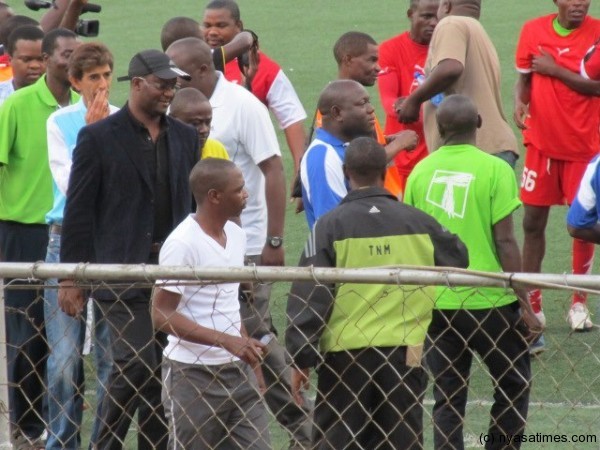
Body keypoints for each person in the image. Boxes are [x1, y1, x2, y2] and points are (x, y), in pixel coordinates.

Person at [166, 37, 312, 449]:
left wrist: (274, 240)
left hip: (238, 250)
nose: (172, 84)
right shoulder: (172, 126)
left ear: (198, 70)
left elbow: (273, 169)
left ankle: (308, 434)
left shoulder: (242, 106)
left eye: (178, 76)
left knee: (258, 340)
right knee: (238, 343)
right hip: (191, 252)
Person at [286, 136, 469, 450]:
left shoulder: (329, 226)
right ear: (386, 169)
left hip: (344, 357)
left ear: (346, 172)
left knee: (335, 441)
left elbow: (310, 294)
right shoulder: (418, 222)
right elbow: (459, 257)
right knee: (401, 441)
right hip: (404, 353)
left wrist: (301, 357)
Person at [59, 49, 198, 450]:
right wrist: (71, 276)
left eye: (173, 85)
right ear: (137, 84)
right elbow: (79, 210)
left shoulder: (186, 137)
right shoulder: (97, 137)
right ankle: (104, 445)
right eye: (162, 84)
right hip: (118, 273)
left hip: (171, 274)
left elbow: (190, 210)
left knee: (158, 374)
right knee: (135, 363)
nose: (169, 92)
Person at [404, 94, 542, 450]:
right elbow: (506, 242)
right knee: (513, 384)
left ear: (438, 126)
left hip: (440, 301)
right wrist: (524, 303)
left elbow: (415, 242)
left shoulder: (420, 171)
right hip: (490, 302)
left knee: (448, 395)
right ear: (479, 123)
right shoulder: (496, 169)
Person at [152, 158, 271, 450]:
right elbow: (160, 313)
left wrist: (249, 360)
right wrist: (225, 341)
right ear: (214, 196)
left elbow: (228, 302)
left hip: (238, 372)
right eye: (239, 190)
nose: (246, 195)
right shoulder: (182, 243)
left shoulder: (238, 235)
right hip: (191, 376)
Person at [0, 27, 79, 450]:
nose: (72, 61)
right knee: (28, 333)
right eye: (65, 54)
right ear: (49, 59)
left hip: (71, 233)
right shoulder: (17, 105)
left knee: (67, 341)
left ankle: (61, 423)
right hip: (23, 233)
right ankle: (28, 427)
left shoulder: (89, 108)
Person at [44, 42, 117, 450]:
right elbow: (73, 188)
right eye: (93, 77)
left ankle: (102, 442)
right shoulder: (60, 123)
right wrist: (92, 134)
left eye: (106, 75)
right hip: (65, 244)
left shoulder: (126, 120)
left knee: (111, 357)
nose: (102, 85)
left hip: (110, 244)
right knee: (64, 360)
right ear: (75, 82)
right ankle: (61, 442)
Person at [514, 0, 600, 339]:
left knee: (583, 225)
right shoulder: (532, 31)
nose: (578, 3)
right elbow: (524, 80)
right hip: (542, 147)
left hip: (585, 149)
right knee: (532, 222)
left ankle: (579, 301)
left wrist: (555, 70)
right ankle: (533, 302)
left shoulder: (597, 33)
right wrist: (519, 101)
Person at [398, 0, 519, 168]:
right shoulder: (476, 30)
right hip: (492, 147)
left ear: (446, 6)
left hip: (472, 151)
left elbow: (451, 67)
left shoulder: (451, 23)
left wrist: (414, 100)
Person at [202, 0, 307, 177]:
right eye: (207, 26)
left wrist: (300, 174)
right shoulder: (194, 65)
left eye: (221, 26)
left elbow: (292, 119)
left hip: (247, 179)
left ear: (239, 26)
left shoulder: (263, 67)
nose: (212, 32)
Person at [301, 79, 416, 229]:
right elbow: (333, 227)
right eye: (363, 104)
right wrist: (399, 144)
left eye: (369, 102)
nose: (371, 109)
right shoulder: (323, 158)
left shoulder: (344, 147)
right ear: (337, 113)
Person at [324, 31, 418, 199]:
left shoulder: (356, 102)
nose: (378, 67)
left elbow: (357, 145)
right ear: (348, 59)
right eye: (371, 60)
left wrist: (387, 139)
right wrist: (400, 144)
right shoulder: (337, 105)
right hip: (370, 208)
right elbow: (358, 162)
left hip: (384, 203)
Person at [378, 0, 439, 196]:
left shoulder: (448, 50)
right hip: (402, 157)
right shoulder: (390, 49)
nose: (434, 22)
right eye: (427, 16)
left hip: (438, 155)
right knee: (400, 223)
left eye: (439, 16)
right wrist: (399, 107)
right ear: (410, 14)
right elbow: (388, 99)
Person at [160, 16, 254, 73]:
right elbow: (245, 41)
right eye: (204, 40)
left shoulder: (161, 72)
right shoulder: (206, 60)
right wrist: (248, 34)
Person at [169, 86, 228, 160]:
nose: (205, 130)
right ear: (172, 120)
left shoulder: (216, 149)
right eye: (195, 123)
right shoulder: (165, 153)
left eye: (208, 123)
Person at [0, 25, 44, 105]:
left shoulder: (61, 96)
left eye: (41, 59)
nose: (35, 66)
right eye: (26, 59)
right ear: (10, 60)